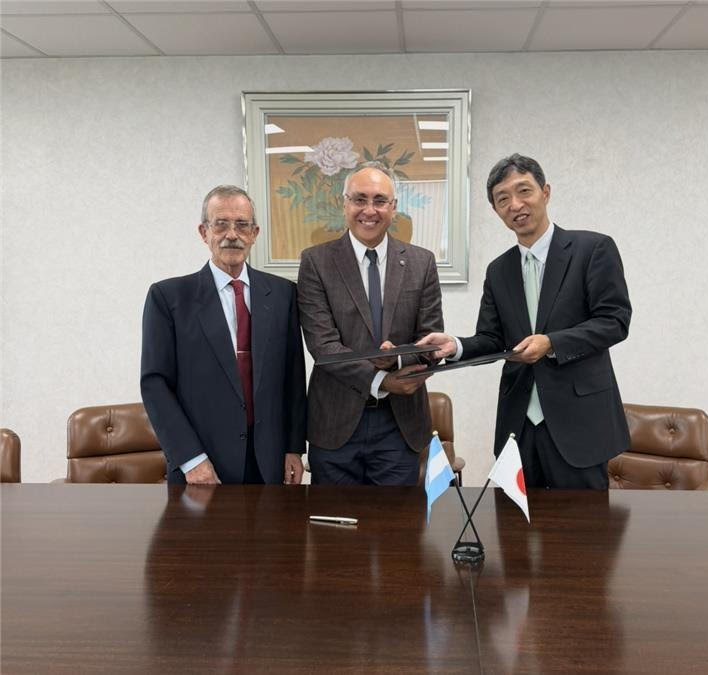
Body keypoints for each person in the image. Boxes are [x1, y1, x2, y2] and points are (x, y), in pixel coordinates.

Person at [418, 154, 631, 489]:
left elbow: (614, 321)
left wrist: (552, 343)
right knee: (515, 520)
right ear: (496, 210)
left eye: (524, 191)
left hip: (579, 422)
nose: (515, 205)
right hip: (518, 424)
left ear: (545, 192)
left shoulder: (592, 249)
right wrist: (454, 345)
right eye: (503, 199)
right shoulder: (498, 270)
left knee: (582, 522)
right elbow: (492, 339)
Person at [140, 185, 306, 484]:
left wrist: (293, 447)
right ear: (204, 232)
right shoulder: (168, 297)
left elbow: (293, 377)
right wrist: (191, 459)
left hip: (269, 462)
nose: (232, 234)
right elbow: (155, 385)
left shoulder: (283, 294)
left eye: (242, 225)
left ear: (254, 233)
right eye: (221, 224)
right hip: (202, 466)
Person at [297, 163, 443, 485]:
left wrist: (398, 359)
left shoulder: (422, 262)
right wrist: (382, 380)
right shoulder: (315, 262)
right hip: (335, 423)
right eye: (359, 199)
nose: (369, 210)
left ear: (393, 207)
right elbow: (323, 346)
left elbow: (430, 342)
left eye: (380, 200)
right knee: (332, 518)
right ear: (344, 203)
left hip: (400, 425)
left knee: (395, 519)